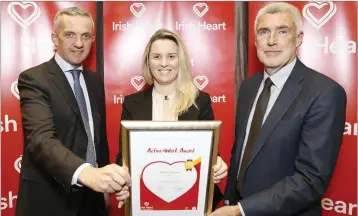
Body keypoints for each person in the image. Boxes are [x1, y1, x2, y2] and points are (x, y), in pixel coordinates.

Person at [210, 2, 347, 216]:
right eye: (264, 32)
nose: (271, 41)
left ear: (299, 38)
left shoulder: (325, 93)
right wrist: (229, 200)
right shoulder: (249, 87)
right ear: (255, 40)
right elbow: (242, 154)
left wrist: (241, 210)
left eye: (282, 31)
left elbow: (311, 179)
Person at [15, 7, 130, 216]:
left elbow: (96, 138)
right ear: (55, 38)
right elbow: (41, 140)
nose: (79, 43)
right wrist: (87, 173)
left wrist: (103, 181)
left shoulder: (94, 81)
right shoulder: (34, 79)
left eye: (85, 36)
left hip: (93, 199)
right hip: (51, 199)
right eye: (70, 35)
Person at [115, 29, 228, 208]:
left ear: (180, 61)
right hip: (146, 200)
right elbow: (124, 157)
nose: (164, 63)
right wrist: (121, 182)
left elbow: (209, 154)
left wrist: (217, 164)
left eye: (171, 56)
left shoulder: (200, 101)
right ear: (148, 62)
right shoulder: (131, 103)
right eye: (157, 57)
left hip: (191, 201)